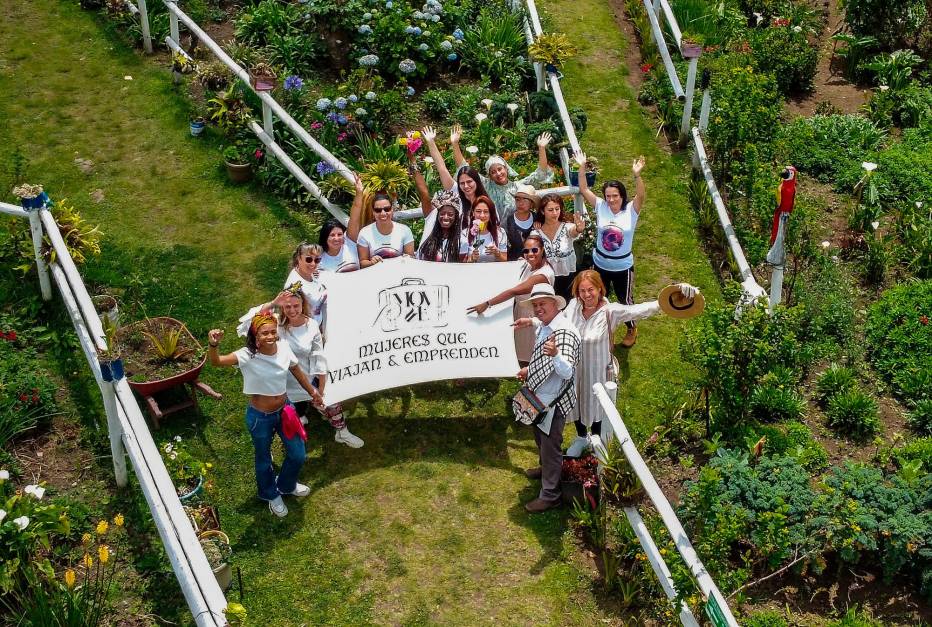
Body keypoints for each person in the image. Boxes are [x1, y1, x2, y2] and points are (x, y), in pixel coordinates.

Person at [563, 270, 700, 457]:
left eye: (591, 290)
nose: (587, 295)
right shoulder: (572, 307)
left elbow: (641, 310)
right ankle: (581, 437)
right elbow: (557, 323)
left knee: (597, 403)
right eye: (582, 290)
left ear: (600, 289)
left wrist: (675, 294)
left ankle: (596, 438)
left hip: (597, 369)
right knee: (577, 399)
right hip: (575, 368)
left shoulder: (611, 312)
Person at [207, 311, 321, 517]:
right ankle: (270, 494)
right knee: (263, 460)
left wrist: (313, 392)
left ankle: (286, 485)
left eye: (272, 331)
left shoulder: (284, 348)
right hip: (261, 417)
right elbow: (217, 362)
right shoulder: (247, 355)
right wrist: (213, 345)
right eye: (264, 333)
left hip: (285, 410)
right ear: (255, 335)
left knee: (298, 454)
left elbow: (296, 370)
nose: (269, 336)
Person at [237, 288, 365, 449]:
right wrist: (274, 303)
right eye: (287, 306)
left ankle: (342, 433)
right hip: (282, 383)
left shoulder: (311, 325)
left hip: (307, 378)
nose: (292, 310)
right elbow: (249, 321)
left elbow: (318, 356)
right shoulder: (276, 324)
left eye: (296, 306)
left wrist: (321, 387)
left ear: (303, 304)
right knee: (282, 417)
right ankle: (281, 433)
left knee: (331, 404)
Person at [512, 283, 581, 513]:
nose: (538, 308)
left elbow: (567, 372)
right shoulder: (546, 325)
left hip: (552, 402)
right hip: (538, 397)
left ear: (555, 304)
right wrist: (529, 370)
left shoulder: (565, 333)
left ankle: (550, 495)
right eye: (535, 305)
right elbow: (540, 360)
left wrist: (557, 354)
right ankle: (545, 470)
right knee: (541, 440)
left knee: (551, 447)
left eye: (542, 304)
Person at [575, 151, 646, 347]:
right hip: (600, 263)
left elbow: (641, 195)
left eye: (615, 196)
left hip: (623, 266)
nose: (611, 200)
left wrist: (637, 175)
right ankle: (602, 328)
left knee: (625, 300)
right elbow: (583, 188)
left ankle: (631, 328)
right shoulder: (600, 206)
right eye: (608, 196)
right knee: (598, 296)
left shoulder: (632, 210)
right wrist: (582, 165)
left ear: (622, 196)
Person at [467, 234, 554, 364]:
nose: (530, 254)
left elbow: (514, 291)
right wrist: (497, 255)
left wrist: (487, 303)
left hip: (534, 314)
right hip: (520, 310)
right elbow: (509, 266)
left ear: (542, 250)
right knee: (520, 350)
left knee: (530, 351)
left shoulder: (542, 274)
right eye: (526, 251)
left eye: (534, 250)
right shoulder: (527, 264)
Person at [451, 128, 554, 223]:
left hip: (517, 233)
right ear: (489, 175)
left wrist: (541, 148)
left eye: (500, 169)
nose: (498, 173)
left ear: (506, 168)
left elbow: (540, 174)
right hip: (495, 234)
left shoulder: (518, 187)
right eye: (493, 172)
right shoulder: (486, 186)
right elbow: (463, 167)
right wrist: (455, 144)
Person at [421, 125, 489, 229]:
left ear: (476, 181)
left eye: (469, 182)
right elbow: (441, 168)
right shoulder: (456, 192)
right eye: (462, 183)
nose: (466, 186)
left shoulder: (486, 202)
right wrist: (431, 142)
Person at [533, 193, 586, 299]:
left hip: (568, 278)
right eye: (550, 210)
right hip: (546, 279)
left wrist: (578, 229)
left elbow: (573, 232)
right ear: (543, 211)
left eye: (557, 209)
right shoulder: (536, 233)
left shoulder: (566, 227)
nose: (555, 213)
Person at [356, 189, 416, 267]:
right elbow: (362, 262)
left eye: (387, 209)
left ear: (392, 210)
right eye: (378, 210)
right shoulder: (364, 233)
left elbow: (410, 259)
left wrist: (407, 259)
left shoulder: (405, 230)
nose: (383, 213)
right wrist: (371, 263)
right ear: (373, 212)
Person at [284, 243, 327, 329]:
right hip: (306, 330)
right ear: (299, 258)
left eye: (317, 260)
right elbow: (292, 315)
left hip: (318, 325)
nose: (313, 264)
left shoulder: (310, 273)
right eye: (308, 259)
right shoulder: (294, 286)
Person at [460, 195, 507, 262]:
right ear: (473, 213)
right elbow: (461, 262)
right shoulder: (464, 234)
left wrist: (498, 254)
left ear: (490, 214)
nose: (482, 215)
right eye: (478, 211)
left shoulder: (500, 232)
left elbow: (505, 259)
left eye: (486, 212)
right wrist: (471, 259)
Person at [504, 184, 538, 260]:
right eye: (518, 200)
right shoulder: (509, 220)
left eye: (525, 200)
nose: (520, 203)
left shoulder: (537, 218)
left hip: (535, 261)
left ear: (532, 203)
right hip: (514, 261)